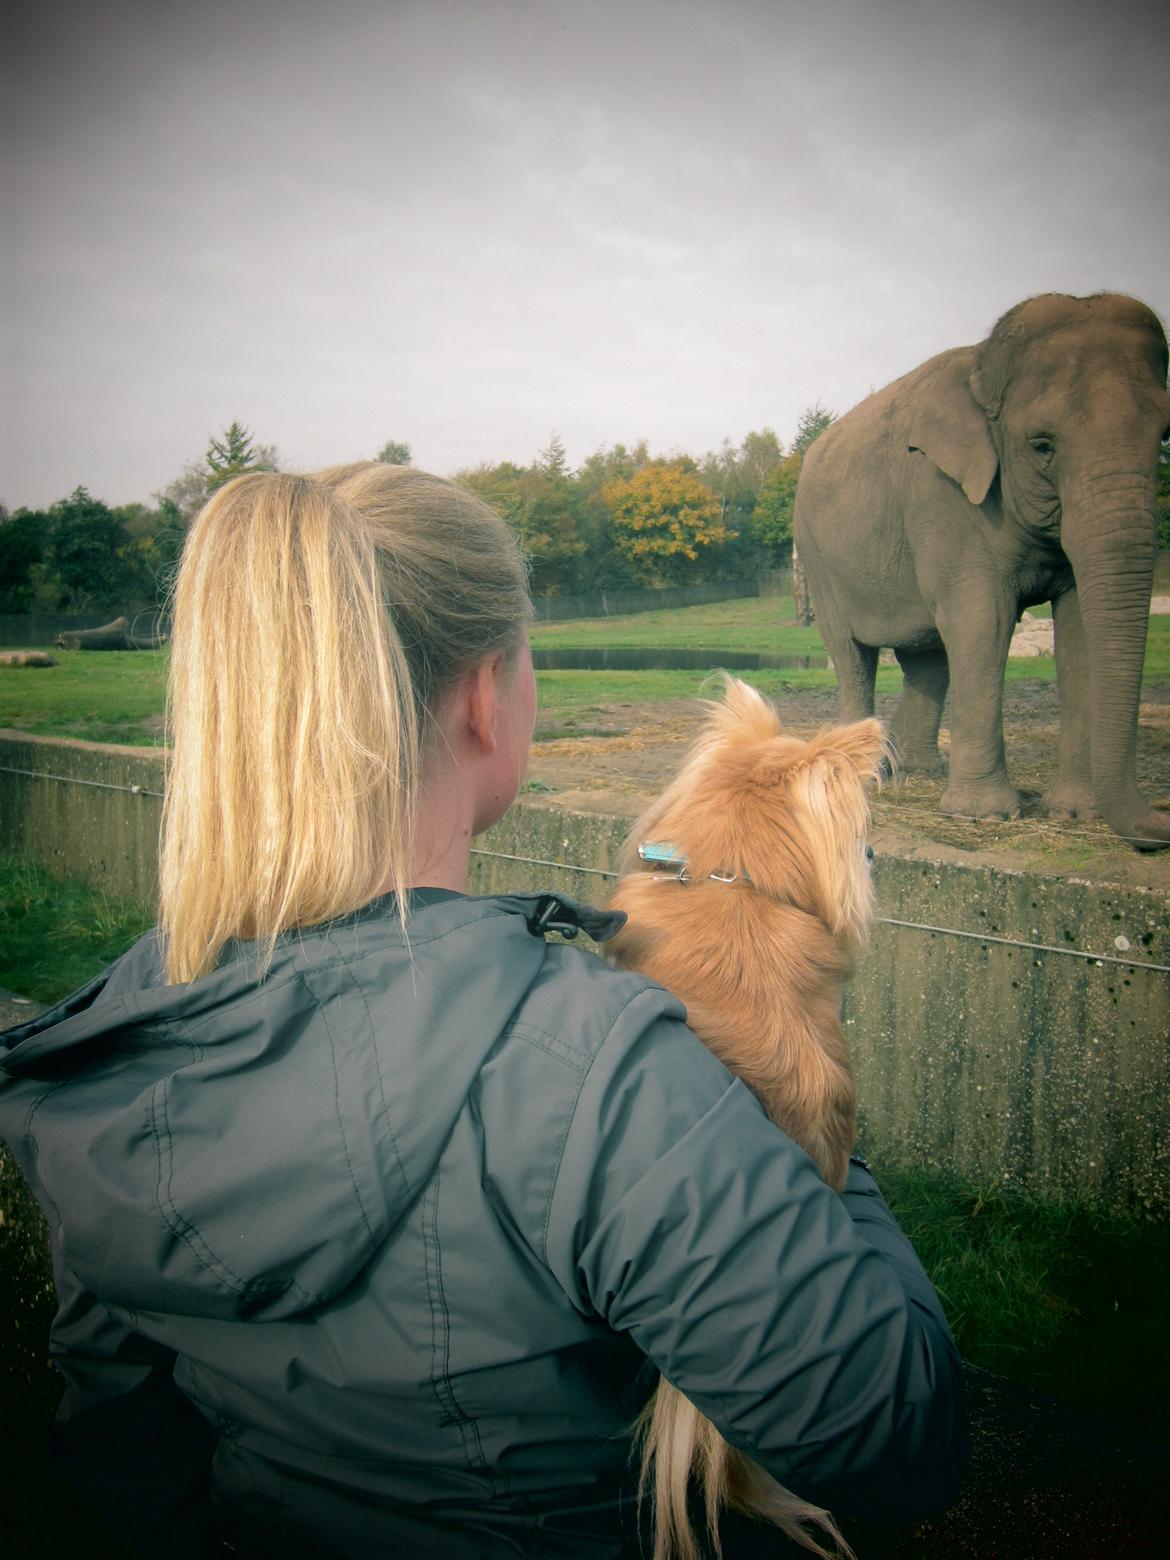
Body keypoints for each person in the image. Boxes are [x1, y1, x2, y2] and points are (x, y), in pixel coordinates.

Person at [0, 463, 968, 1559]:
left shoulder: (121, 1035)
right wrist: (795, 1080)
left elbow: (123, 1448)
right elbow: (897, 1436)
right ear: (481, 695)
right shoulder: (603, 1073)